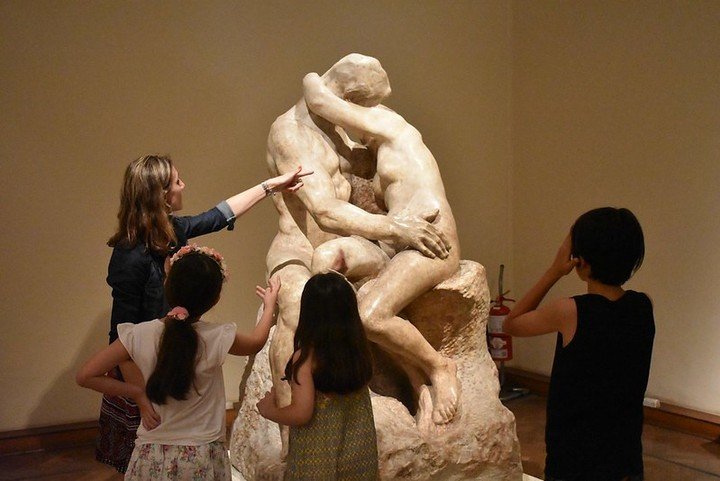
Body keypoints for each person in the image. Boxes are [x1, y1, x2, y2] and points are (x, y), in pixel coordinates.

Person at [264, 54, 453, 427]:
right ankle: (291, 431)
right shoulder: (291, 134)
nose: (374, 114)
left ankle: (416, 378)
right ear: (347, 100)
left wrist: (397, 225)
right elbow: (325, 210)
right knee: (300, 308)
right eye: (369, 106)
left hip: (355, 242)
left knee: (371, 296)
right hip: (301, 247)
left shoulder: (340, 131)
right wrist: (396, 227)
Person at [98, 154, 309, 472]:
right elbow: (121, 339)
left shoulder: (170, 232)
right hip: (143, 372)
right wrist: (143, 396)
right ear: (162, 195)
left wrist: (271, 186)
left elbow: (219, 215)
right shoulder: (129, 258)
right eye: (177, 182)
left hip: (168, 363)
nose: (184, 186)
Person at [78, 245, 280, 480]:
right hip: (202, 457)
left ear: (167, 286)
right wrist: (269, 307)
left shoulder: (139, 334)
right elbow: (256, 342)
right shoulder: (217, 336)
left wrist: (136, 393)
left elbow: (85, 376)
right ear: (215, 299)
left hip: (151, 455)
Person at [503, 207, 654, 481]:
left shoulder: (570, 311)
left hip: (576, 459)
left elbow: (511, 323)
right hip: (625, 456)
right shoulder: (643, 306)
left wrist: (553, 271)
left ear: (581, 262)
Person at [256, 272, 378, 481]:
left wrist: (270, 410)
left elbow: (301, 413)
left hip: (318, 461)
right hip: (359, 458)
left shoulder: (306, 358)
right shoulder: (359, 351)